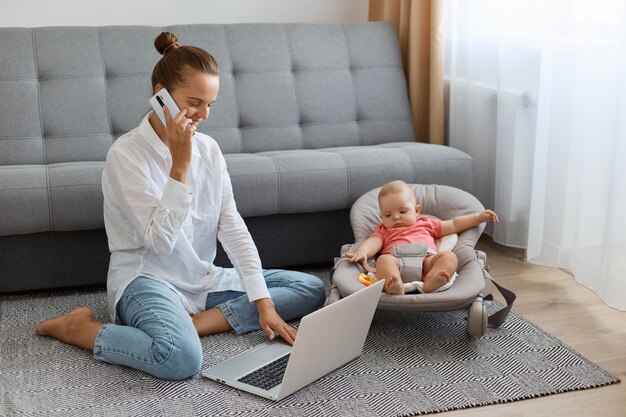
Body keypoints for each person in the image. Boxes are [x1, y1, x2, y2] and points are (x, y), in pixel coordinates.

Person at [35, 32, 326, 381]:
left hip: (200, 277)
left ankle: (197, 323)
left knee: (309, 289)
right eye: (195, 102)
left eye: (211, 104)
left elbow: (231, 225)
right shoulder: (126, 155)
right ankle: (76, 329)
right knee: (180, 359)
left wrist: (264, 304)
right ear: (161, 95)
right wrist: (179, 165)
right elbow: (159, 243)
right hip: (147, 279)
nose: (204, 115)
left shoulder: (210, 149)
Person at [343, 180, 498, 295]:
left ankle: (432, 279)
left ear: (417, 210)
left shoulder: (426, 224)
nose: (396, 217)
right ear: (381, 217)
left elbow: (454, 224)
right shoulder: (383, 230)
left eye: (403, 211)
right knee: (383, 260)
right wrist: (362, 252)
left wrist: (478, 218)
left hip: (427, 261)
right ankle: (394, 284)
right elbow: (372, 242)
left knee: (449, 257)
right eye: (388, 215)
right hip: (396, 261)